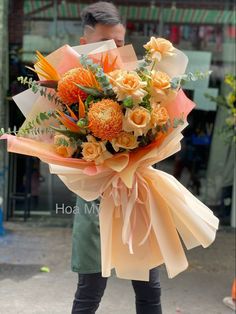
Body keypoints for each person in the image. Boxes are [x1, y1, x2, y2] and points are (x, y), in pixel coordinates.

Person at [71, 2, 162, 314]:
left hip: (136, 196)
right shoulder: (71, 90)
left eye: (119, 45)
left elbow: (160, 129)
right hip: (95, 200)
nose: (113, 53)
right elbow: (62, 147)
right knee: (88, 293)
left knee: (149, 291)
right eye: (104, 45)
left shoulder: (140, 86)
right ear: (85, 45)